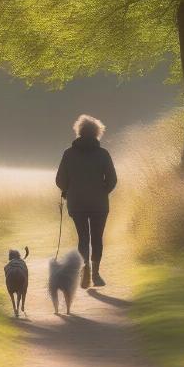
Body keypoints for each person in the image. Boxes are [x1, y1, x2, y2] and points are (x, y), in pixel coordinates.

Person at [56, 114, 117, 289]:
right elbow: (112, 179)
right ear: (97, 133)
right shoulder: (103, 154)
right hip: (99, 204)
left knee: (83, 238)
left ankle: (86, 268)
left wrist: (68, 190)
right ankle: (96, 274)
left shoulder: (68, 154)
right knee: (97, 239)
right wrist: (102, 191)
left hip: (77, 204)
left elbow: (60, 180)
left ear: (79, 131)